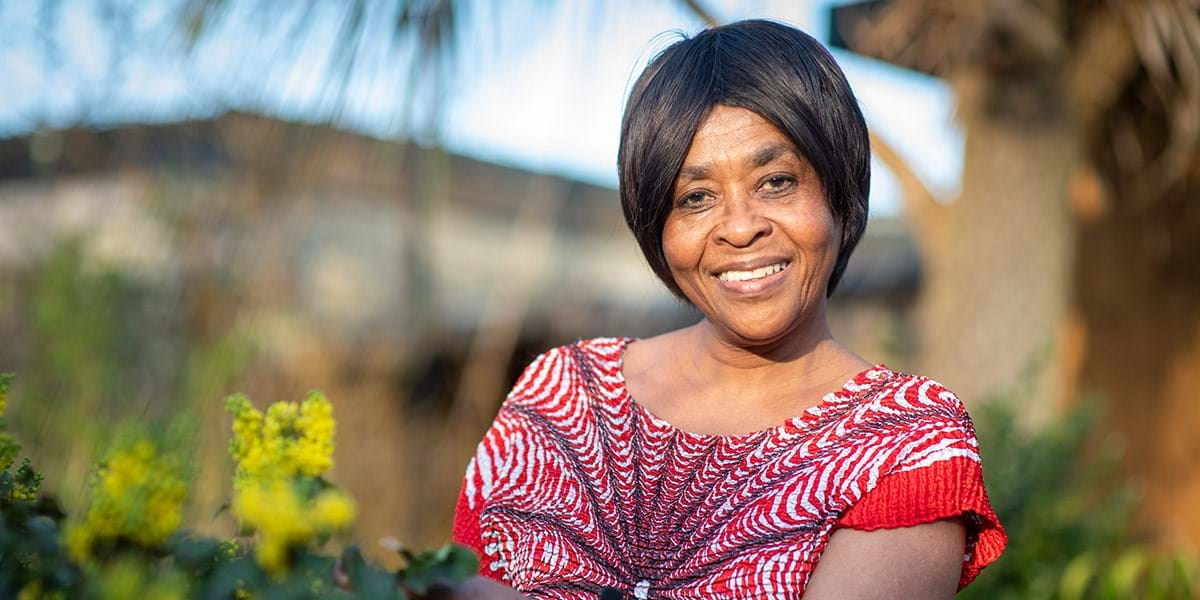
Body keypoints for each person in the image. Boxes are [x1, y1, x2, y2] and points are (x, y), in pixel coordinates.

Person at [451, 19, 1006, 599]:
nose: (740, 227)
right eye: (696, 198)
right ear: (656, 228)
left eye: (776, 182)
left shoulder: (904, 441)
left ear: (840, 192)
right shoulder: (561, 397)